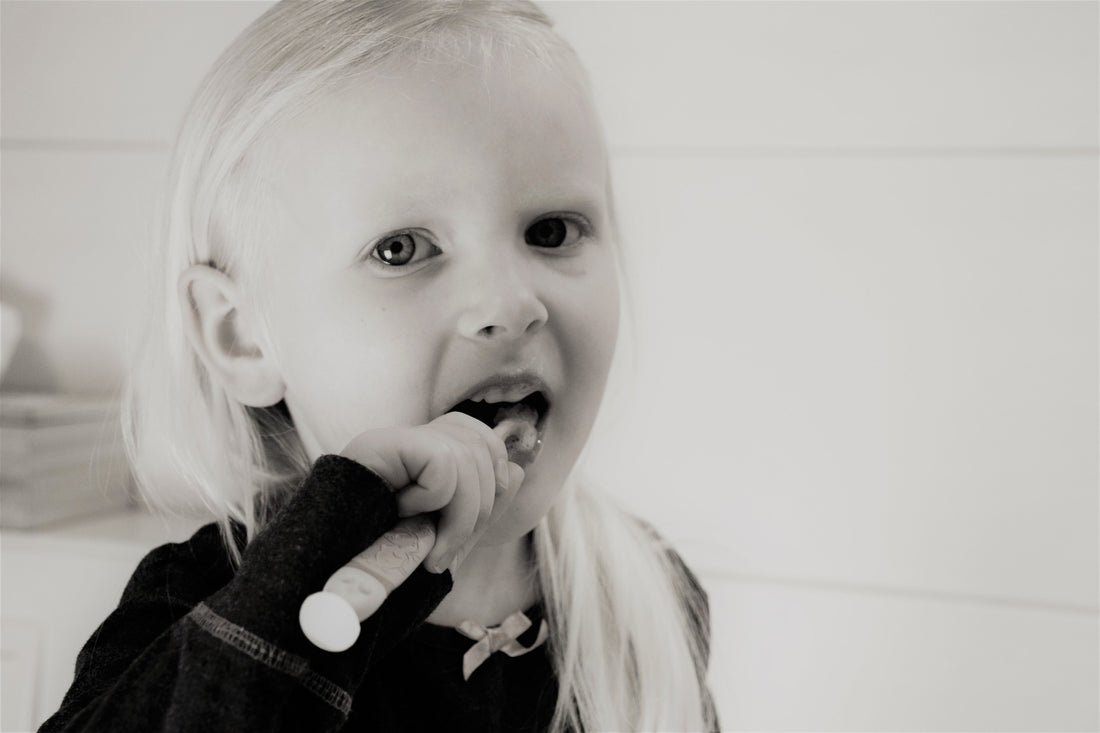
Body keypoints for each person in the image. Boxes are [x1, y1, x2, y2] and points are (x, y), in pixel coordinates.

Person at [40, 1, 719, 730]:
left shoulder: (646, 594)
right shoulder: (198, 613)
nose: (511, 304)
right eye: (401, 249)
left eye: (551, 230)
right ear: (244, 337)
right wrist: (314, 574)